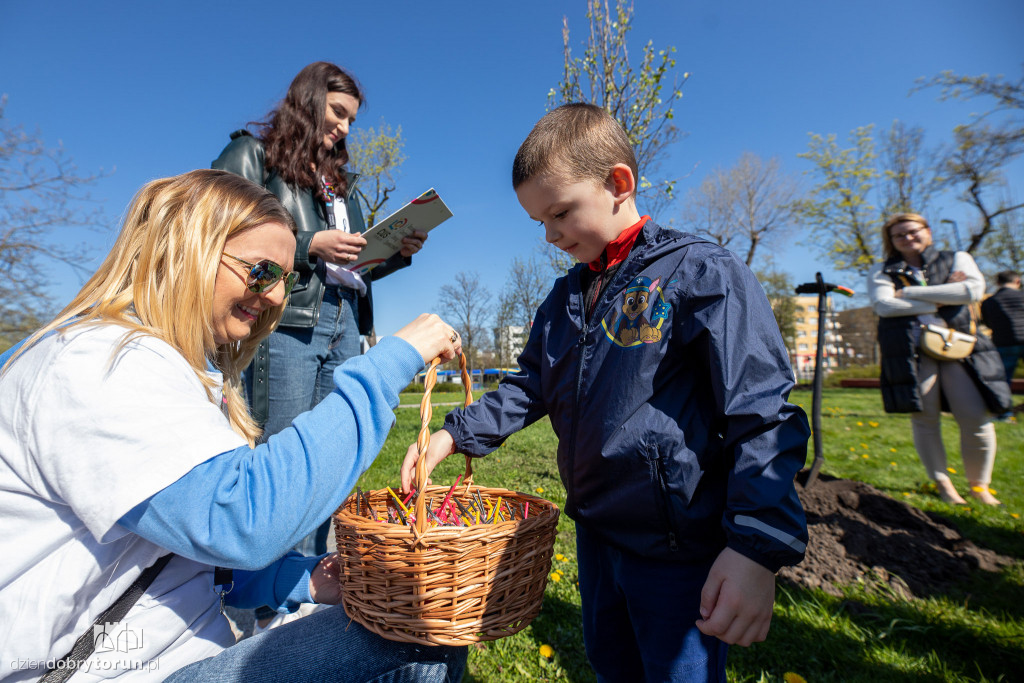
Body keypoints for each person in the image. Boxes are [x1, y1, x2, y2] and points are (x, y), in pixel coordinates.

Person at [0, 170, 467, 682]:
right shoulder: (97, 362)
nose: (274, 297)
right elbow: (243, 519)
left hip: (186, 656)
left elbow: (184, 558)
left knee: (423, 627)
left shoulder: (178, 373)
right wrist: (391, 361)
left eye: (285, 280)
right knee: (421, 642)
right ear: (185, 250)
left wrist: (304, 580)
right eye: (261, 271)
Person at [401, 104, 810, 682]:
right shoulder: (562, 301)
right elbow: (528, 387)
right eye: (539, 222)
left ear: (618, 183)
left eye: (560, 213)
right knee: (611, 666)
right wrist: (453, 432)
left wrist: (755, 548)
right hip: (596, 535)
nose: (551, 235)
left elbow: (762, 411)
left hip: (677, 548)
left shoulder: (699, 273)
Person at [211, 61, 428, 624]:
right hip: (286, 322)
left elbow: (353, 266)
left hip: (343, 321)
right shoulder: (252, 157)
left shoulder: (342, 184)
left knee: (328, 455)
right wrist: (310, 243)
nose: (345, 130)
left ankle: (307, 585)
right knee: (284, 454)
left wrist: (395, 250)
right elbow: (215, 226)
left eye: (352, 120)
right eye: (338, 114)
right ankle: (264, 595)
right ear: (308, 102)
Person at [867, 213, 1012, 506]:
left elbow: (972, 291)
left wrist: (907, 292)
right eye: (899, 235)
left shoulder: (957, 258)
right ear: (891, 241)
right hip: (913, 351)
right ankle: (943, 483)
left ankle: (979, 486)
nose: (907, 238)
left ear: (927, 231)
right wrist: (948, 294)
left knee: (976, 418)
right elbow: (884, 305)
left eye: (913, 231)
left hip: (960, 347)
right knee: (925, 417)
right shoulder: (882, 269)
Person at [980, 270, 1024, 418]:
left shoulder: (989, 301)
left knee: (1003, 381)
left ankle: (1004, 414)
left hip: (1004, 343)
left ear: (998, 283)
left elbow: (987, 322)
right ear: (1017, 281)